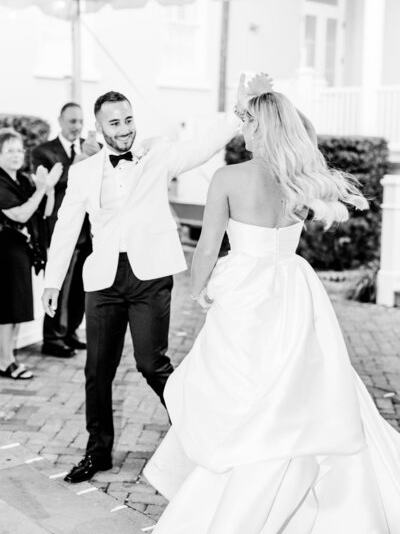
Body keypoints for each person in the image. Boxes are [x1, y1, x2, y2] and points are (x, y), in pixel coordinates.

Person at [143, 74, 400, 532]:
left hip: (245, 288)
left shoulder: (228, 177)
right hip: (292, 287)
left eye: (247, 123)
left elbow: (206, 249)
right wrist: (249, 105)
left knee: (243, 389)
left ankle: (244, 483)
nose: (241, 131)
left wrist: (197, 290)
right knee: (298, 386)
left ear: (258, 128)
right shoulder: (301, 178)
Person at [42, 91, 237, 484]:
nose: (125, 129)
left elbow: (200, 147)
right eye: (115, 123)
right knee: (98, 370)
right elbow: (66, 227)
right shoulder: (82, 173)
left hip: (150, 277)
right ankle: (97, 452)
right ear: (100, 128)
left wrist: (238, 114)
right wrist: (52, 281)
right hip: (103, 281)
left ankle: (199, 435)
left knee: (152, 364)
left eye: (129, 120)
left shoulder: (158, 157)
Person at [31, 102, 101, 358]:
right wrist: (79, 164)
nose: (77, 127)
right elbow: (50, 187)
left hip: (90, 230)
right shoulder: (43, 152)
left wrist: (94, 160)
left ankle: (70, 331)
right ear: (60, 120)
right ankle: (52, 338)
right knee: (59, 282)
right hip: (59, 229)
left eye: (80, 122)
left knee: (80, 287)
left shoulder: (93, 148)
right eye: (72, 122)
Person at [0, 129, 62, 379]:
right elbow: (20, 214)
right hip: (3, 251)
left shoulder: (23, 180)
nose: (16, 155)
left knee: (16, 309)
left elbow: (44, 212)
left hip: (20, 251)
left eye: (18, 150)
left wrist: (49, 190)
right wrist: (41, 190)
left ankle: (8, 357)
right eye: (9, 150)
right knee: (6, 310)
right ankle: (5, 361)